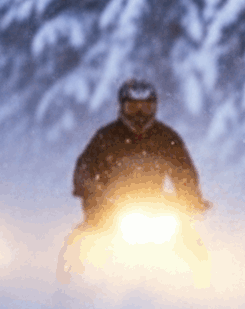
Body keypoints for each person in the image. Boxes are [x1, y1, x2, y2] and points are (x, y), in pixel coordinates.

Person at [61, 79, 210, 282]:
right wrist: (90, 192)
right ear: (121, 107)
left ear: (155, 107)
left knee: (193, 245)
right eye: (133, 107)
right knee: (78, 241)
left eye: (146, 107)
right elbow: (85, 168)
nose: (140, 114)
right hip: (110, 208)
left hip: (157, 207)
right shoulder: (106, 137)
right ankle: (68, 288)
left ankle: (202, 289)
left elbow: (185, 173)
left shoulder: (167, 138)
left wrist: (192, 199)